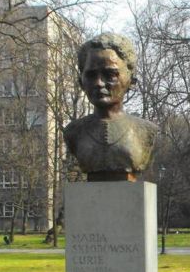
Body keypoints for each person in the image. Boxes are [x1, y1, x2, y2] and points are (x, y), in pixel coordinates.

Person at [64, 33, 157, 180]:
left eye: (110, 74)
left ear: (131, 80)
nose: (99, 83)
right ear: (81, 82)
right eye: (91, 75)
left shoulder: (147, 131)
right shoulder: (73, 132)